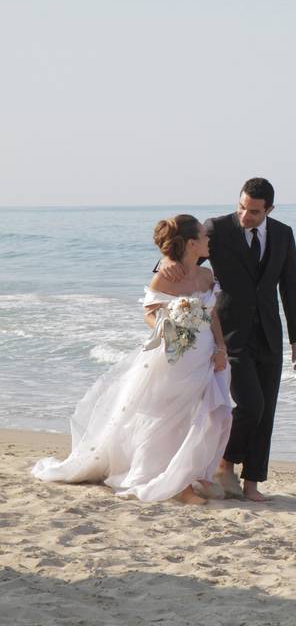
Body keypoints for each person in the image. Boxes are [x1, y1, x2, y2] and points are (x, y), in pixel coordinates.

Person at [33, 215, 232, 505]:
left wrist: (221, 348)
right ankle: (177, 485)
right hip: (173, 356)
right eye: (203, 236)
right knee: (169, 419)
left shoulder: (206, 276)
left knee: (214, 415)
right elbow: (149, 313)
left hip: (203, 355)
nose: (208, 240)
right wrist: (168, 328)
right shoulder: (165, 276)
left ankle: (193, 472)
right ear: (191, 244)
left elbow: (213, 314)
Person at [158, 178, 296, 502]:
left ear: (269, 209)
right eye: (241, 207)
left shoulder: (283, 234)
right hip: (228, 333)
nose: (244, 216)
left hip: (269, 333)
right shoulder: (218, 228)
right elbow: (185, 255)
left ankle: (252, 482)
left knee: (267, 410)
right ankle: (225, 465)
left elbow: (290, 287)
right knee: (251, 405)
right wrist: (166, 265)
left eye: (253, 211)